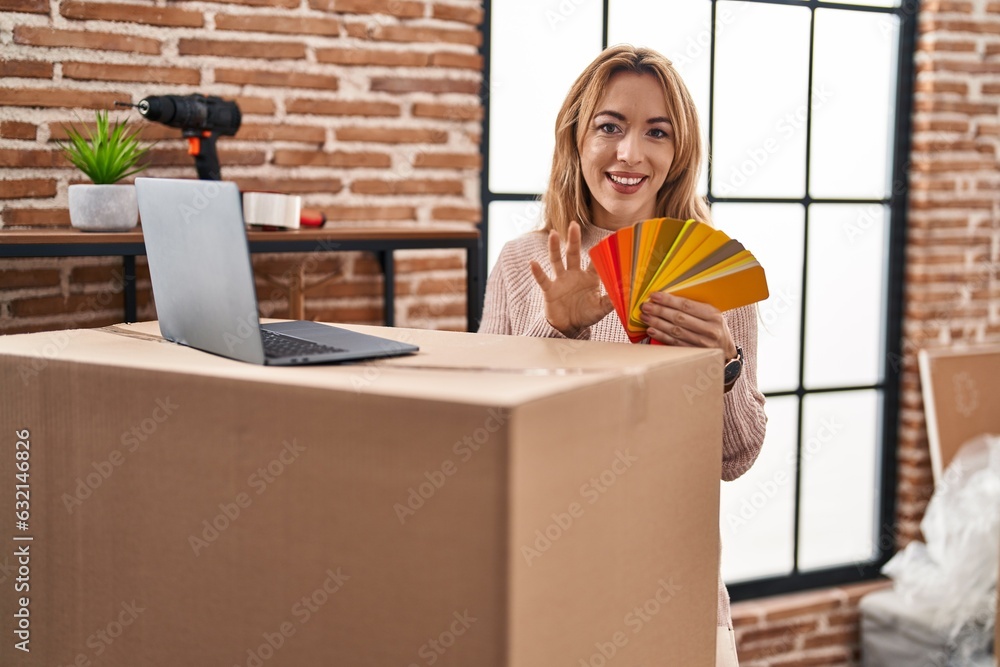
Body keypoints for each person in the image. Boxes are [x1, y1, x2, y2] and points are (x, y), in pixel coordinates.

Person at [478, 44, 767, 666]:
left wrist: (726, 366)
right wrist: (559, 332)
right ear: (575, 139)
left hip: (673, 579)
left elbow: (735, 459)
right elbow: (488, 440)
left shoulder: (712, 270)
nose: (630, 154)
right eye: (610, 126)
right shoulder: (519, 264)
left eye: (656, 133)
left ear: (678, 153)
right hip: (546, 575)